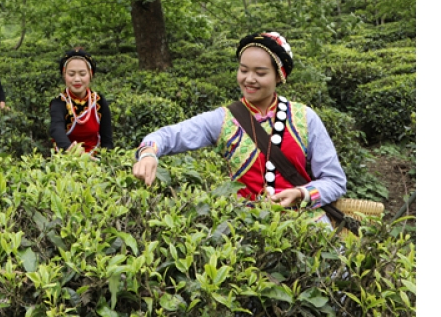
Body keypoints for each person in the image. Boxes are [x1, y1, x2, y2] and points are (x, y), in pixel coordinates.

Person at [132, 32, 347, 225]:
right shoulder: (224, 120)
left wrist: (302, 193)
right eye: (243, 70)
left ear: (279, 76)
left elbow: (335, 181)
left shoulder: (305, 118)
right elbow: (169, 136)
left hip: (308, 229)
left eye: (260, 73)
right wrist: (149, 153)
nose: (249, 79)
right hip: (247, 230)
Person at [49, 48, 114, 157]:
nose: (77, 79)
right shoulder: (59, 103)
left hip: (96, 159)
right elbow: (56, 129)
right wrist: (73, 151)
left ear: (90, 75)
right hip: (67, 158)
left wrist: (106, 160)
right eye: (71, 74)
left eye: (82, 74)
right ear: (64, 76)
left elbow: (107, 139)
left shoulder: (99, 101)